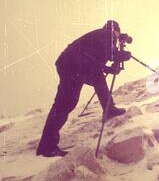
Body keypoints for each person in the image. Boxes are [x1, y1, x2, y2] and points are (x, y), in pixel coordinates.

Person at [36, 20, 131, 157]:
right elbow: (111, 54)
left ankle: (109, 108)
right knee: (64, 105)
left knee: (95, 82)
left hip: (76, 66)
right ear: (115, 30)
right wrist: (122, 55)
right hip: (74, 67)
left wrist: (110, 68)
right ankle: (46, 147)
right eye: (118, 33)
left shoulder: (99, 37)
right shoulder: (106, 34)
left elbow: (95, 61)